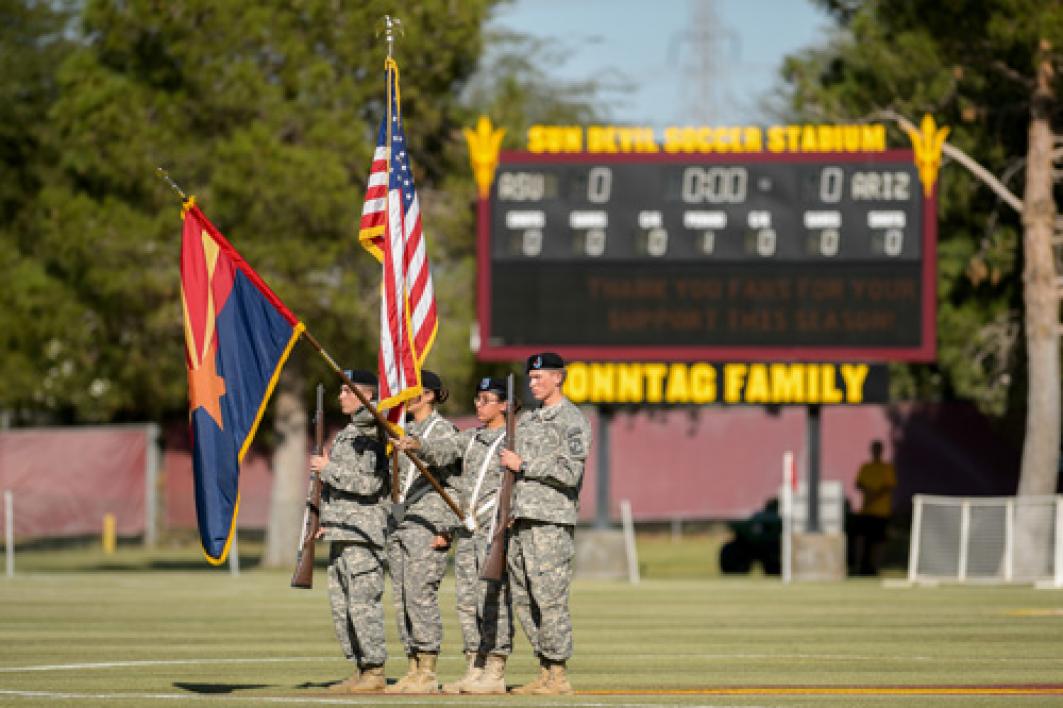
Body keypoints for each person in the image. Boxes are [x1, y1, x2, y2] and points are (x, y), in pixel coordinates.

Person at [398, 377, 515, 694]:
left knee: (493, 600)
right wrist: (418, 444)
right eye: (477, 399)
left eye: (487, 399)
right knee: (466, 602)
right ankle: (474, 667)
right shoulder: (472, 437)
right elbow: (446, 448)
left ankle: (495, 669)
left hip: (495, 527)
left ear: (504, 404)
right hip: (469, 529)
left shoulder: (513, 438)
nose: (480, 405)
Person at [500, 353, 591, 695]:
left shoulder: (572, 420)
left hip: (550, 521)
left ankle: (558, 673)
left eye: (540, 377)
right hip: (521, 518)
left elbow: (571, 472)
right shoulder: (526, 422)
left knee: (549, 598)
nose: (533, 383)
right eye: (531, 378)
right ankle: (543, 668)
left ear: (559, 378)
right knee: (524, 599)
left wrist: (525, 464)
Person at [311, 369, 390, 693]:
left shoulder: (371, 433)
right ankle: (361, 667)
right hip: (341, 530)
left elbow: (371, 483)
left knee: (362, 603)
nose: (340, 396)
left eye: (348, 390)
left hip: (363, 531)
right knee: (342, 606)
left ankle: (374, 670)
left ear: (367, 395)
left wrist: (328, 469)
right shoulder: (347, 433)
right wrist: (323, 520)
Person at [384, 370, 459, 694]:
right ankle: (412, 665)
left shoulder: (442, 430)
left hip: (428, 522)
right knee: (402, 598)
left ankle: (428, 669)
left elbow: (453, 473)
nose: (405, 396)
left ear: (428, 395)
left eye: (412, 390)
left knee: (420, 595)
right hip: (401, 521)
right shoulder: (403, 430)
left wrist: (447, 528)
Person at [852, 440, 897, 575]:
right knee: (862, 539)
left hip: (881, 512)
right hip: (866, 510)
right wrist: (868, 494)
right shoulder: (866, 467)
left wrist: (873, 496)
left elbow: (888, 486)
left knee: (879, 541)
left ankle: (875, 568)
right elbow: (858, 483)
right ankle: (860, 567)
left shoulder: (887, 468)